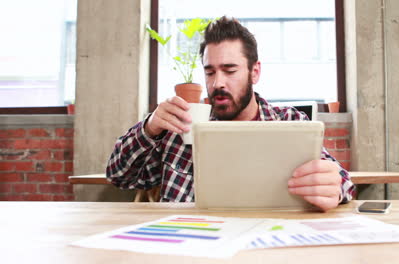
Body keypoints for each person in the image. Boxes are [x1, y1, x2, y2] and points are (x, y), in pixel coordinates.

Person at [107, 16, 355, 211]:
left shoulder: (289, 122)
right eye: (210, 72)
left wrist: (334, 187)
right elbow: (120, 177)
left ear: (254, 72)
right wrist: (150, 128)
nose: (217, 84)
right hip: (190, 243)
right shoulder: (182, 128)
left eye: (229, 70)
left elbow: (344, 182)